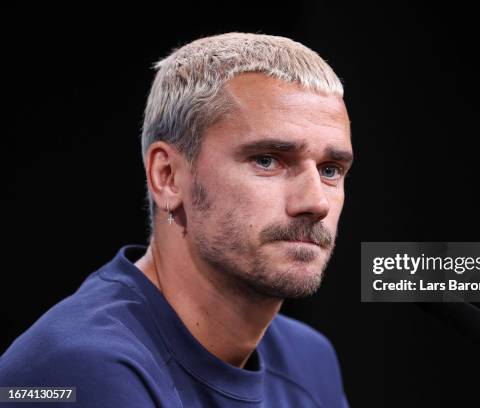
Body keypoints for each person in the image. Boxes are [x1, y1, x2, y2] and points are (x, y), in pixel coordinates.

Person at [0, 32, 353, 407]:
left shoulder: (309, 362)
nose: (316, 202)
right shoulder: (82, 368)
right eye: (267, 160)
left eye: (331, 170)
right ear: (167, 177)